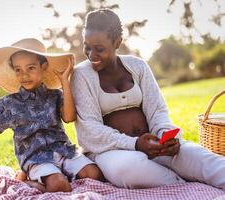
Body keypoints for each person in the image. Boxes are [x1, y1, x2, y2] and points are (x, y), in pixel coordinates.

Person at [71, 9, 225, 190]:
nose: (91, 55)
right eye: (87, 46)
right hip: (110, 152)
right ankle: (193, 190)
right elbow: (90, 130)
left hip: (154, 144)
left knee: (199, 157)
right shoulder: (81, 74)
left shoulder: (138, 66)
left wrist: (166, 137)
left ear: (117, 42)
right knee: (131, 169)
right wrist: (135, 144)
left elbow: (158, 111)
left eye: (99, 49)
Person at [0, 38, 104, 193]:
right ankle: (29, 181)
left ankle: (53, 176)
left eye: (30, 68)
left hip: (65, 151)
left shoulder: (55, 95)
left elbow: (69, 118)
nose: (24, 75)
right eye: (18, 70)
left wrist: (65, 81)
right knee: (59, 186)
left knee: (94, 174)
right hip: (35, 159)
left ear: (43, 67)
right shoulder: (9, 104)